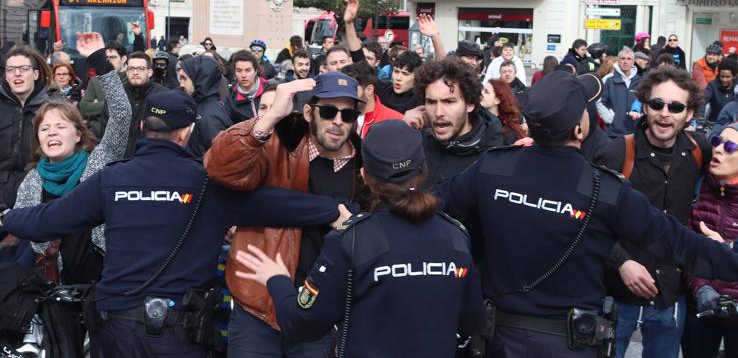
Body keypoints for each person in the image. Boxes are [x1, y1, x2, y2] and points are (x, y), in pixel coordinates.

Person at [0, 89, 352, 358]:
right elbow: (277, 205)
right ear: (186, 132)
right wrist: (334, 209)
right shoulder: (208, 184)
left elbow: (46, 220)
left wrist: (7, 218)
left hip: (117, 330)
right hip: (181, 332)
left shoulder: (112, 181)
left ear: (142, 127)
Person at [437, 70, 738, 358]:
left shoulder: (493, 167)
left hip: (498, 338)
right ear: (579, 128)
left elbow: (436, 206)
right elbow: (677, 244)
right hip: (567, 343)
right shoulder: (603, 188)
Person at [234, 119, 484, 358]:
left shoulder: (352, 240)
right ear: (423, 170)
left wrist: (277, 279)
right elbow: (471, 319)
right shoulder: (455, 235)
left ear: (365, 177)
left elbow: (302, 323)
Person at [203, 72, 365, 357]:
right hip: (259, 306)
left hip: (319, 316)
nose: (338, 121)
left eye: (348, 114)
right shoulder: (277, 144)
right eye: (328, 112)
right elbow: (218, 168)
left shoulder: (363, 165)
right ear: (308, 112)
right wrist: (268, 119)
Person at [11, 32, 130, 352]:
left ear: (79, 134)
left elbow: (121, 117)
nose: (51, 132)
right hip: (52, 302)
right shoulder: (33, 181)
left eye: (60, 126)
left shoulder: (98, 165)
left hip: (101, 295)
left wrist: (99, 61)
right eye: (45, 128)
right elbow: (22, 231)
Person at [594, 66, 710, 358]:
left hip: (670, 293)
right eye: (657, 104)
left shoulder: (699, 151)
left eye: (676, 106)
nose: (665, 113)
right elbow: (589, 218)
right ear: (645, 106)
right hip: (617, 294)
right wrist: (622, 262)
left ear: (690, 114)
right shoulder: (617, 153)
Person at [683, 123, 738, 358]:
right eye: (716, 142)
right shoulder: (695, 186)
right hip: (701, 311)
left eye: (730, 146)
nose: (718, 150)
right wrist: (701, 288)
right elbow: (684, 248)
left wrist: (726, 250)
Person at [405, 58, 502, 188]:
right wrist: (401, 132)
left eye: (449, 102)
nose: (438, 112)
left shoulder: (493, 156)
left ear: (470, 104)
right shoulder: (417, 142)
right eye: (431, 102)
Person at [0, 47, 50, 211]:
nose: (17, 74)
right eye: (11, 69)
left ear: (35, 74)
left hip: (38, 195)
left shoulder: (53, 108)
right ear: (6, 76)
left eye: (23, 68)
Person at [113, 52, 168, 158]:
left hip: (151, 159)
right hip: (119, 161)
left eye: (141, 68)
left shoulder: (163, 95)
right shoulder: (117, 94)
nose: (135, 72)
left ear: (150, 72)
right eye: (131, 68)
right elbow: (105, 128)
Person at [177, 56, 232, 157]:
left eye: (184, 78)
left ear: (200, 79)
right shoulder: (197, 106)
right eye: (180, 78)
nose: (181, 84)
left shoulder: (209, 116)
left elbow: (219, 157)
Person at [340, 61, 402, 138]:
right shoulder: (338, 117)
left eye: (352, 90)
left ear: (369, 90)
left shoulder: (396, 122)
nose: (346, 95)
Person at [80, 41, 128, 139]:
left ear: (123, 59)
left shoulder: (132, 79)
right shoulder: (96, 81)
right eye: (107, 59)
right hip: (98, 138)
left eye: (113, 57)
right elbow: (84, 108)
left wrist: (98, 106)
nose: (109, 62)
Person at [597, 47, 641, 137]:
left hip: (635, 132)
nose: (625, 61)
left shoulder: (640, 81)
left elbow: (644, 102)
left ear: (633, 62)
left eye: (629, 59)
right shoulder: (608, 79)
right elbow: (599, 101)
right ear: (618, 61)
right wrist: (610, 119)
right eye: (622, 58)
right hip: (613, 133)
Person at [224, 51, 265, 124]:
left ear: (255, 71)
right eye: (239, 71)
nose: (243, 75)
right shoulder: (231, 101)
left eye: (248, 70)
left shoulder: (269, 90)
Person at [482, 79, 526, 145]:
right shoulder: (475, 119)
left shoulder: (508, 133)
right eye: (482, 89)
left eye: (486, 92)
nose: (481, 93)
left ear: (497, 100)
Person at [702, 58, 737, 122]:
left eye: (728, 77)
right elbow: (703, 100)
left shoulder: (737, 87)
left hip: (733, 125)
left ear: (734, 76)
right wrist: (698, 119)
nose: (724, 80)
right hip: (714, 123)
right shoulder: (713, 86)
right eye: (722, 76)